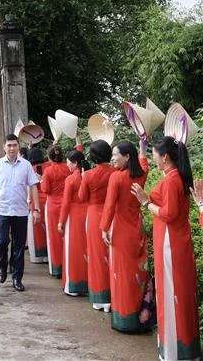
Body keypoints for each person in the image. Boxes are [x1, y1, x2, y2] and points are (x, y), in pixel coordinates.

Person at [131, 137, 200, 360]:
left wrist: (144, 202)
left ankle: (174, 350)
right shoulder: (174, 176)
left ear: (165, 157)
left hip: (170, 242)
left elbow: (169, 214)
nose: (153, 159)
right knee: (176, 291)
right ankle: (181, 348)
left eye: (154, 154)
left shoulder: (172, 180)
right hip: (174, 239)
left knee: (171, 292)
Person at [100, 140, 153, 333]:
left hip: (121, 230)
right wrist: (143, 146)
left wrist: (104, 228)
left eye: (116, 154)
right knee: (138, 272)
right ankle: (141, 318)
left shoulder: (117, 178)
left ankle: (125, 320)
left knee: (121, 274)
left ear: (127, 156)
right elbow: (144, 163)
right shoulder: (141, 175)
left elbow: (110, 205)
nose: (113, 158)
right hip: (138, 228)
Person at [0, 134, 39, 292]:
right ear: (4, 147)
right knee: (2, 242)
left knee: (18, 246)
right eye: (9, 145)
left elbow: (33, 186)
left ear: (18, 147)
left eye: (14, 145)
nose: (12, 148)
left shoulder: (26, 165)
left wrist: (36, 209)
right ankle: (2, 267)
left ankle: (17, 277)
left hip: (20, 211)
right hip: (2, 210)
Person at [78, 140, 115, 312]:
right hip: (113, 216)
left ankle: (101, 298)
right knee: (112, 255)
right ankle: (114, 296)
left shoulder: (89, 175)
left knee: (97, 256)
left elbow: (81, 197)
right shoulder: (117, 172)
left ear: (93, 157)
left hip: (94, 216)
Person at [58, 150, 89, 296]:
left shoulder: (71, 179)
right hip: (89, 215)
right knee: (86, 249)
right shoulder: (89, 175)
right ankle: (88, 283)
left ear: (75, 163)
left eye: (69, 161)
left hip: (75, 216)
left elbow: (66, 202)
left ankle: (74, 285)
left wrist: (61, 221)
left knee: (73, 250)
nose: (67, 164)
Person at [41, 144, 69, 278]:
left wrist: (41, 181)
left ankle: (57, 267)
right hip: (67, 204)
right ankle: (68, 264)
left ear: (49, 157)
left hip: (53, 205)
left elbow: (45, 189)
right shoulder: (68, 168)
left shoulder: (48, 171)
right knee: (67, 235)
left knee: (54, 237)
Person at [26, 148, 49, 264]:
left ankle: (38, 256)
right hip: (48, 201)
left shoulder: (30, 169)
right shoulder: (49, 166)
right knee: (48, 229)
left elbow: (29, 189)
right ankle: (49, 255)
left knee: (36, 229)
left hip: (36, 202)